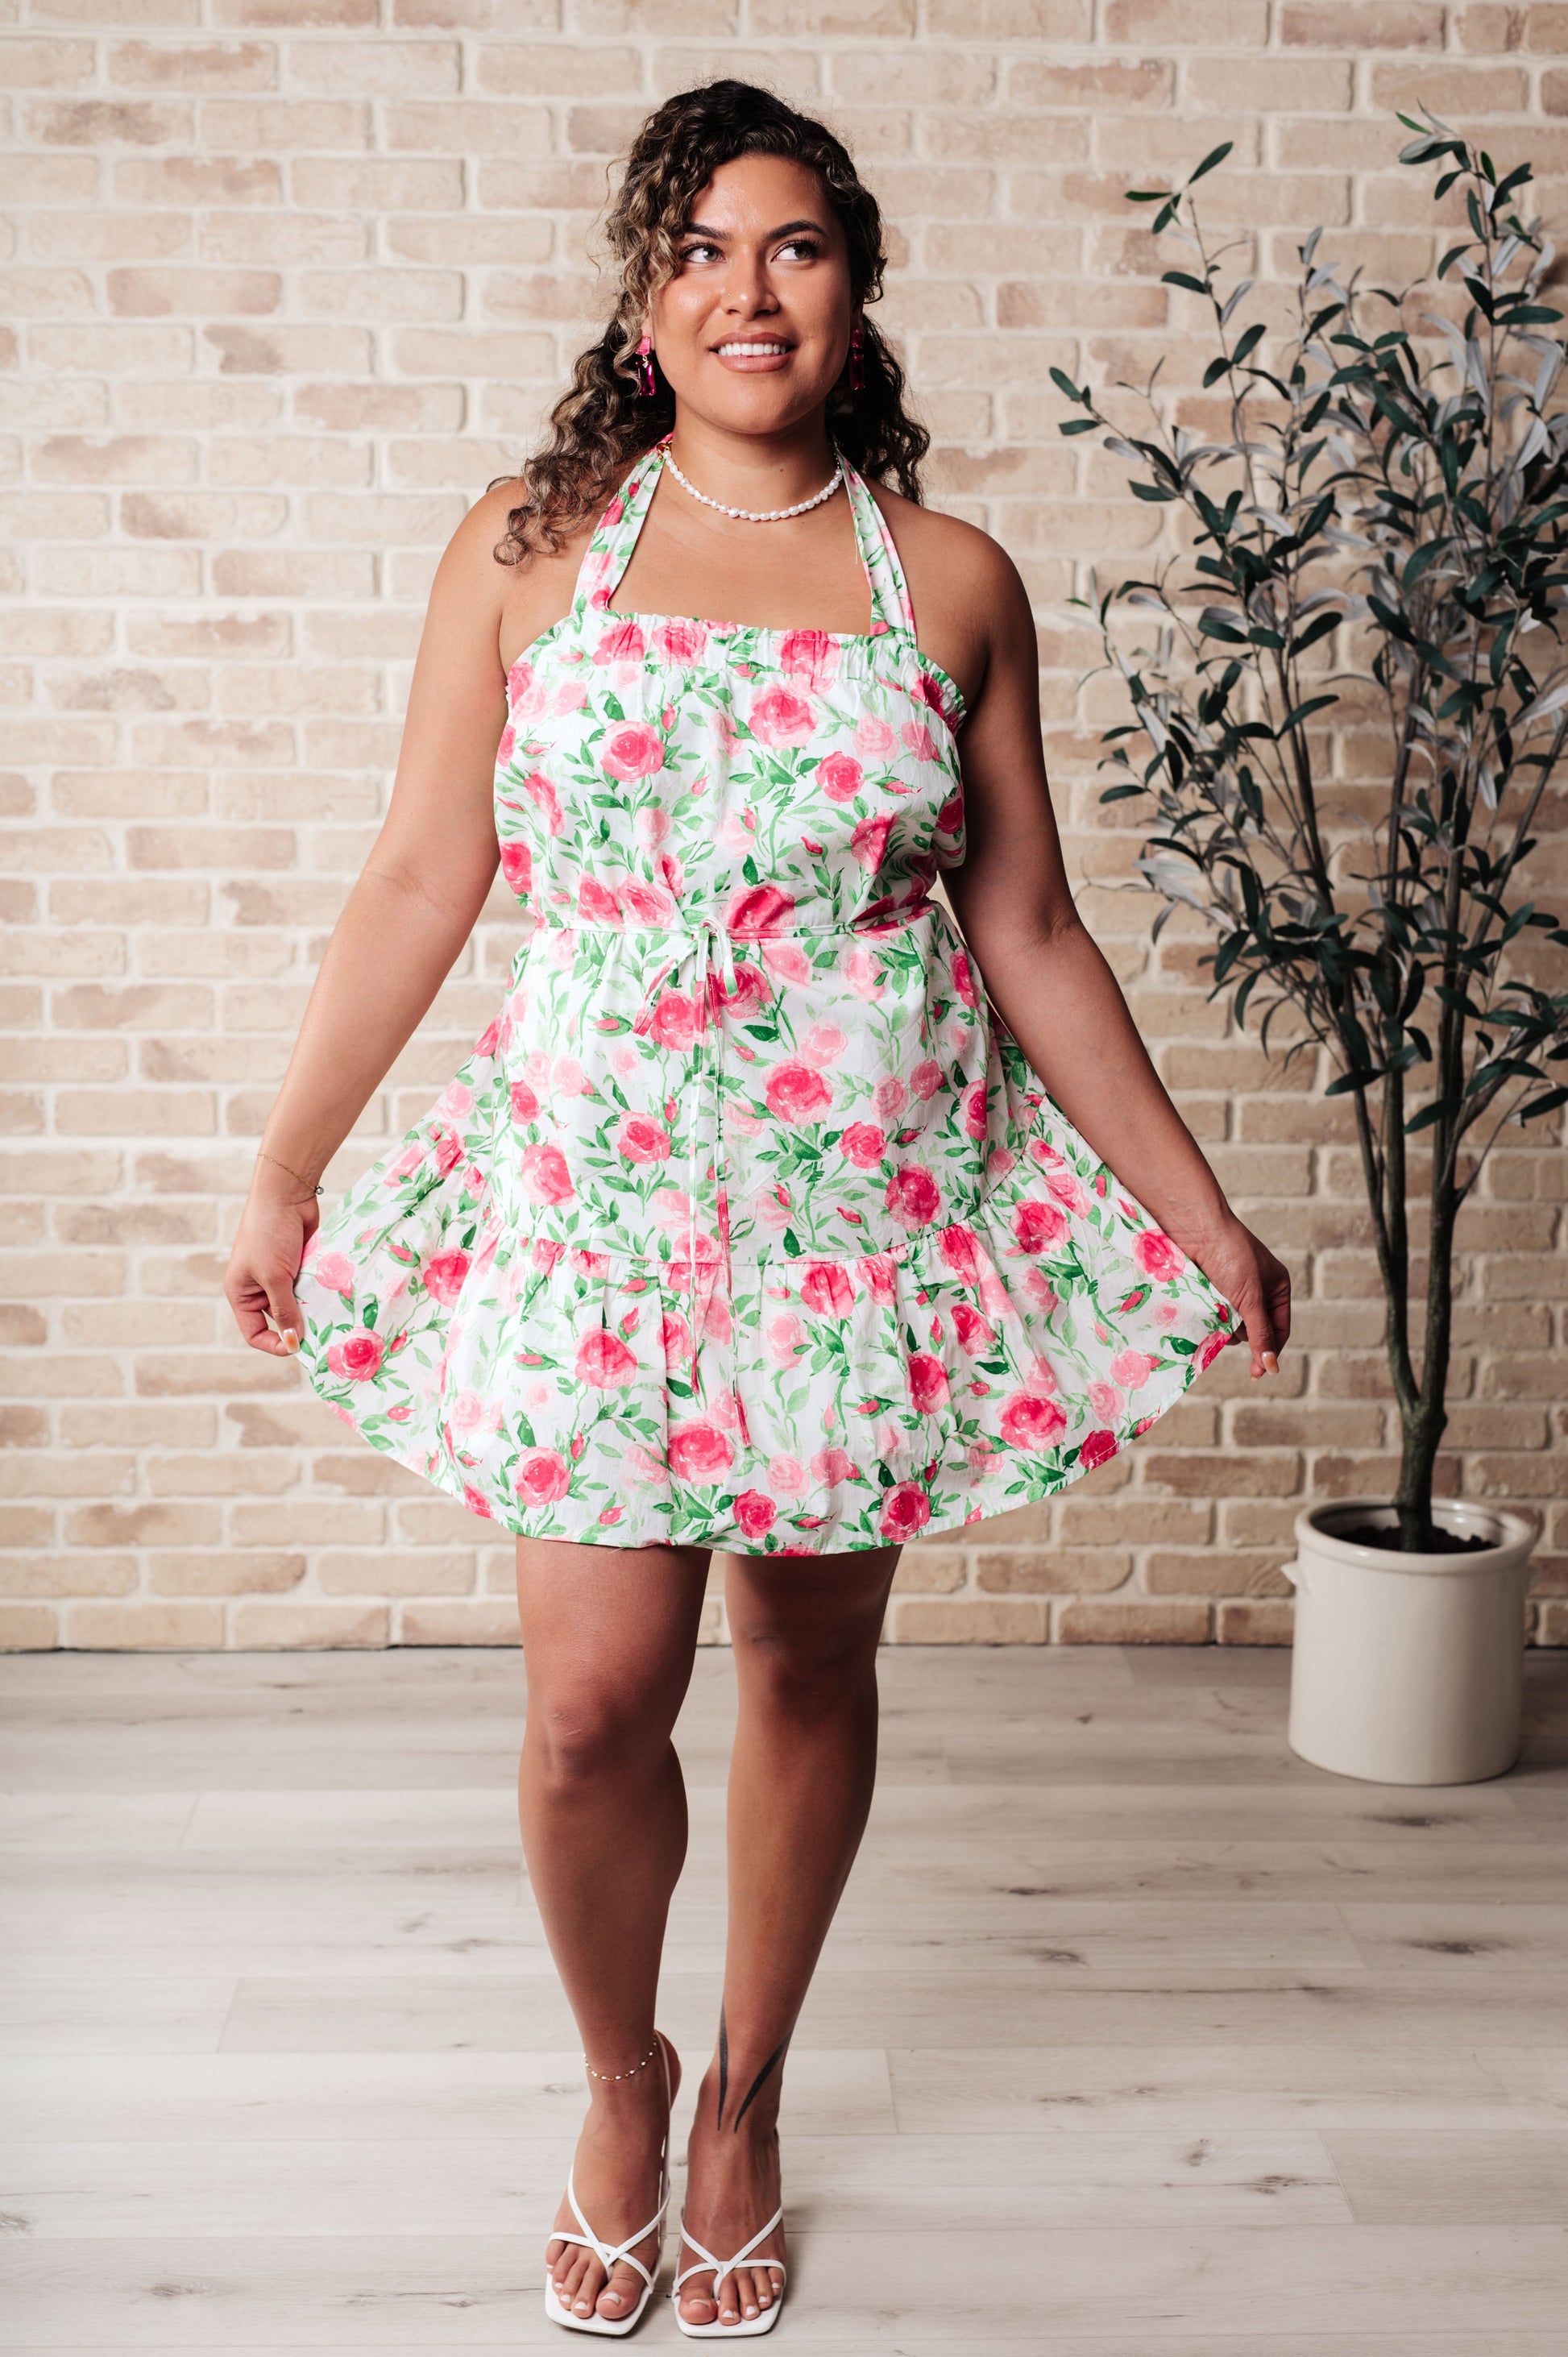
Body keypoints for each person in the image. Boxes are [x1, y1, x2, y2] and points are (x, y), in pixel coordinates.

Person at [224, 77, 1290, 2341]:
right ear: (643, 302)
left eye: (792, 245)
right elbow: (420, 873)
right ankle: (619, 2084)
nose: (747, 289)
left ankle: (746, 2099)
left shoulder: (951, 580)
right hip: (596, 1210)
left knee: (808, 1662)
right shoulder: (529, 548)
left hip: (857, 1215)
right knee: (592, 1709)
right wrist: (291, 1163)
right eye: (699, 249)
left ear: (856, 291)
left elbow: (1030, 930)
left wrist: (1197, 1212)